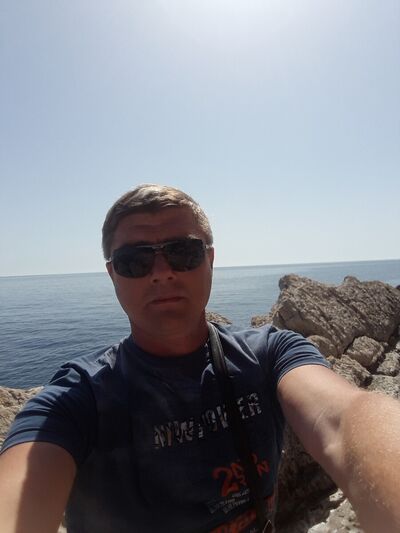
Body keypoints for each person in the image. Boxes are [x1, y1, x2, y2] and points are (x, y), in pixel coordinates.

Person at [0, 184, 400, 533]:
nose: (161, 272)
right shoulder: (79, 399)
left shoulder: (271, 353)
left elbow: (344, 418)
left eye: (183, 252)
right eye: (135, 261)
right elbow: (23, 486)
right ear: (113, 274)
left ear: (210, 259)